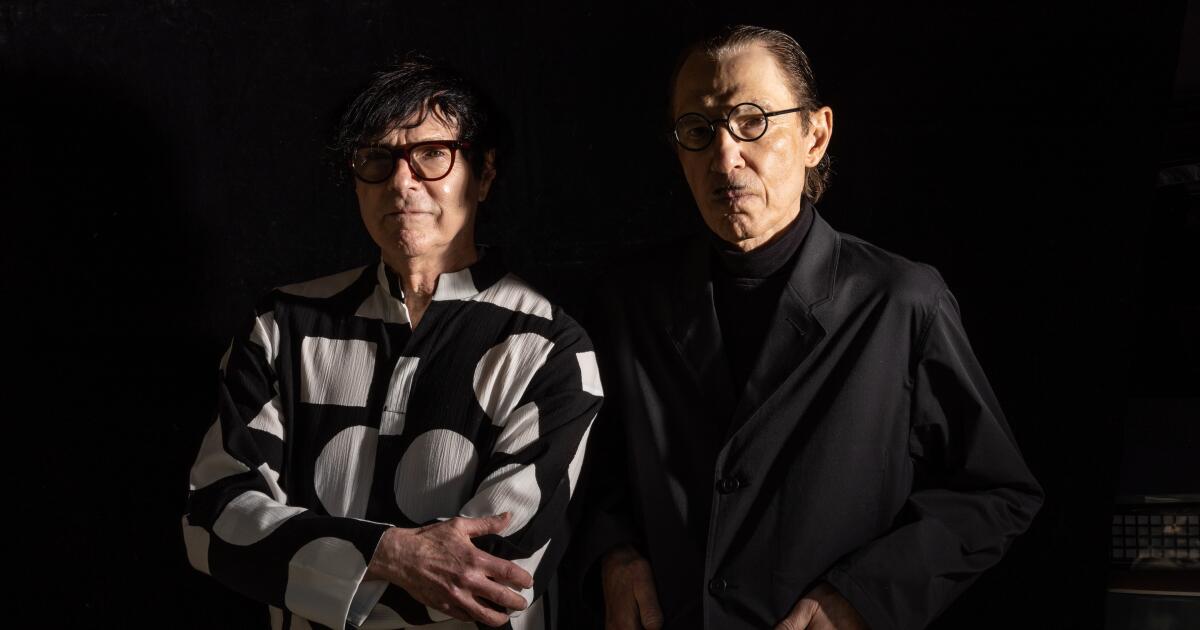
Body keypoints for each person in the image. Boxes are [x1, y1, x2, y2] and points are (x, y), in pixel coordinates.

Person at [578, 25, 1043, 630]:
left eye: (752, 121)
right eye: (698, 130)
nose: (725, 157)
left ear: (815, 136)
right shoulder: (627, 301)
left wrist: (862, 596)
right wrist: (613, 553)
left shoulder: (902, 301)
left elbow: (996, 493)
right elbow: (593, 467)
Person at [182, 58, 602, 630]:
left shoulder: (550, 348)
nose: (401, 182)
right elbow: (211, 521)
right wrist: (393, 555)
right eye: (376, 158)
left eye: (432, 153)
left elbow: (496, 580)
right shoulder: (280, 326)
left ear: (483, 173)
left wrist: (303, 565)